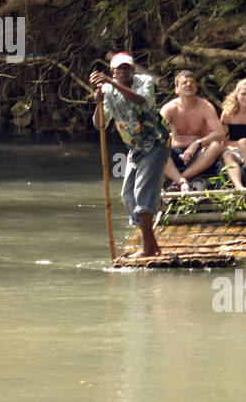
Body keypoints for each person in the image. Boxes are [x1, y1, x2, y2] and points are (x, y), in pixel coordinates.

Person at [90, 52, 169, 258]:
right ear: (113, 71)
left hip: (156, 143)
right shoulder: (107, 89)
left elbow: (142, 102)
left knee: (142, 193)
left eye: (127, 68)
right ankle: (151, 245)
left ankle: (147, 248)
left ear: (133, 70)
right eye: (119, 69)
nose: (123, 72)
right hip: (135, 148)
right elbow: (100, 124)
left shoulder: (145, 81)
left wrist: (110, 83)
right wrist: (98, 102)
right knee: (128, 196)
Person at [160, 69, 227, 190]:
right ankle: (181, 181)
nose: (189, 85)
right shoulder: (169, 109)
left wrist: (197, 144)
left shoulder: (206, 106)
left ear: (196, 88)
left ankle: (180, 179)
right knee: (157, 149)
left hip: (199, 153)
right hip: (176, 152)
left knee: (216, 145)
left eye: (192, 83)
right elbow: (157, 132)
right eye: (184, 83)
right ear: (176, 89)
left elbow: (220, 133)